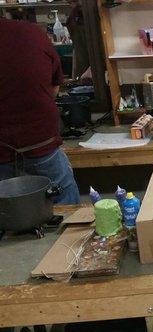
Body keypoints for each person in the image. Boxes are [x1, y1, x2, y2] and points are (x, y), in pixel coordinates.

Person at [0, 17, 80, 205]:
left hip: (31, 148)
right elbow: (53, 90)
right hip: (40, 145)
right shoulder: (31, 33)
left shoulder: (29, 33)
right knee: (69, 221)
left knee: (8, 225)